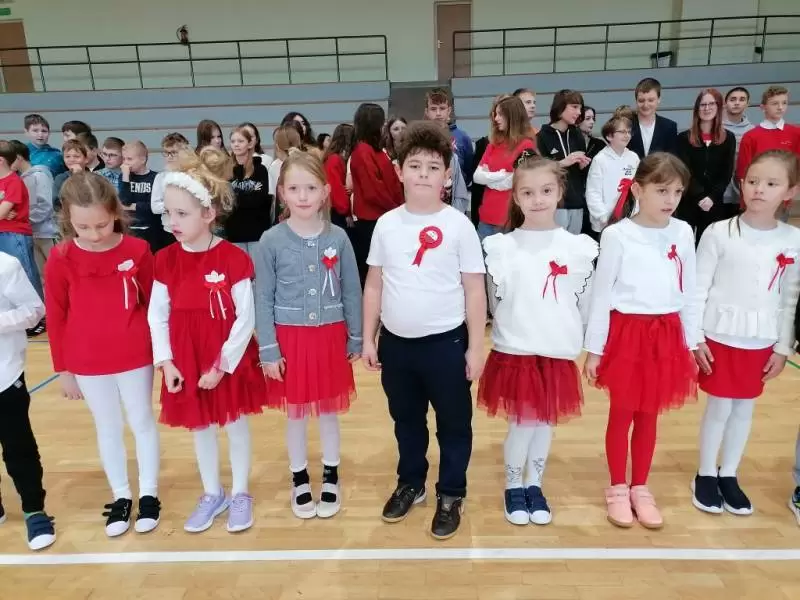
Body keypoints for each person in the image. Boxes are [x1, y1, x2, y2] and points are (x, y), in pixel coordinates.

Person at [362, 121, 486, 540]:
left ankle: (451, 492)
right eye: (414, 166)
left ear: (447, 175)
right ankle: (411, 482)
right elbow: (374, 284)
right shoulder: (386, 225)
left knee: (453, 424)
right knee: (407, 421)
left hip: (446, 345)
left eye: (433, 168)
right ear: (399, 170)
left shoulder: (459, 225)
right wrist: (369, 337)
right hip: (397, 346)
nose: (423, 174)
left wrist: (475, 347)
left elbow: (474, 290)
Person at [147, 147, 267, 534]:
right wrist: (166, 361)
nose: (173, 222)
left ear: (208, 214)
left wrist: (221, 364)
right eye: (169, 213)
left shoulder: (234, 258)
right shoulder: (165, 259)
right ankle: (212, 492)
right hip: (186, 356)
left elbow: (245, 317)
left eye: (182, 214)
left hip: (225, 357)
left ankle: (241, 492)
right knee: (200, 427)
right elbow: (157, 314)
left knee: (235, 424)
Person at [479, 151, 597, 526]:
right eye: (527, 193)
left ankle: (535, 483)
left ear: (560, 191)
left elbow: (585, 303)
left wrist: (584, 346)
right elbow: (495, 303)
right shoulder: (502, 247)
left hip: (556, 350)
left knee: (545, 423)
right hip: (517, 352)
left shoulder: (578, 248)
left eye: (546, 190)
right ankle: (514, 485)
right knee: (522, 423)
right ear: (516, 197)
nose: (538, 199)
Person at [584, 152, 698, 530]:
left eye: (677, 192)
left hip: (666, 333)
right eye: (662, 190)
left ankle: (640, 487)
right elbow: (601, 295)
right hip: (627, 333)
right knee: (623, 412)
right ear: (637, 190)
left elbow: (689, 290)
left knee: (650, 413)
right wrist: (595, 350)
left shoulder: (683, 231)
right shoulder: (617, 235)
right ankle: (618, 486)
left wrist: (691, 342)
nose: (671, 200)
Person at [45, 172, 161, 538]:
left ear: (114, 212)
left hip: (134, 353)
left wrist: (162, 353)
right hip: (87, 359)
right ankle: (121, 495)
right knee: (107, 426)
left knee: (142, 420)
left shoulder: (137, 250)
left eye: (101, 225)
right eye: (83, 227)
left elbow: (154, 304)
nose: (94, 235)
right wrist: (63, 368)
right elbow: (56, 315)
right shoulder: (61, 257)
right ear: (68, 219)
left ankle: (149, 493)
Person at [688, 150, 800, 516]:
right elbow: (697, 288)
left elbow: (790, 298)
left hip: (761, 338)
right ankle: (706, 473)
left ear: (790, 191)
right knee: (720, 405)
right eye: (752, 181)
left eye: (771, 183)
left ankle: (729, 473)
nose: (759, 189)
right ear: (741, 183)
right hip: (720, 335)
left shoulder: (793, 239)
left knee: (744, 407)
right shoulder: (719, 232)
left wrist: (782, 347)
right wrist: (695, 337)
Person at [254, 151, 362, 520]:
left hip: (330, 337)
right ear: (282, 192)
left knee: (329, 411)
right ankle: (299, 477)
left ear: (326, 191)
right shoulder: (270, 240)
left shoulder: (339, 238)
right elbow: (262, 297)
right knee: (296, 414)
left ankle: (331, 474)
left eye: (311, 188)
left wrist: (356, 336)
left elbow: (351, 290)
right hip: (290, 340)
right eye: (294, 188)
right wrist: (268, 350)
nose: (303, 196)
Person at [0, 252, 56, 551]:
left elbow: (34, 310)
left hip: (5, 374)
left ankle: (34, 510)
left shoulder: (6, 265)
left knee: (18, 446)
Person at [350, 103, 404, 286]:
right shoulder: (363, 151)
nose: (384, 127)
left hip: (384, 214)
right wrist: (396, 208)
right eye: (382, 122)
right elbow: (373, 191)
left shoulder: (375, 149)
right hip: (374, 219)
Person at [676, 88, 736, 244]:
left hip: (714, 202)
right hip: (689, 201)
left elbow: (726, 172)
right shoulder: (683, 138)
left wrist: (712, 197)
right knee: (685, 244)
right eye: (703, 105)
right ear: (697, 108)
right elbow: (684, 171)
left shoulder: (729, 138)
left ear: (718, 107)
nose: (707, 108)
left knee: (707, 246)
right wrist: (700, 196)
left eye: (711, 104)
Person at [474, 95, 536, 239]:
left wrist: (489, 178)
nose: (496, 119)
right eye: (496, 114)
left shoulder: (526, 145)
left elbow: (518, 181)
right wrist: (502, 175)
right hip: (486, 217)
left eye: (500, 114)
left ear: (512, 116)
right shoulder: (493, 144)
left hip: (510, 220)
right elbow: (477, 177)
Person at [537, 90, 592, 234]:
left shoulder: (577, 135)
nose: (578, 112)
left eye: (580, 108)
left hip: (577, 203)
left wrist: (583, 166)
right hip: (554, 204)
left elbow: (582, 173)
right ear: (560, 107)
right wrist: (562, 163)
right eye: (574, 107)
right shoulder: (542, 136)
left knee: (573, 245)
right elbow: (538, 171)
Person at [735, 86, 800, 203]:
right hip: (757, 197)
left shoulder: (796, 134)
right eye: (775, 103)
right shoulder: (751, 136)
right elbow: (743, 172)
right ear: (763, 107)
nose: (780, 107)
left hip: (784, 199)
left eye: (784, 103)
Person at [584, 113, 640, 235]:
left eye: (629, 132)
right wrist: (603, 217)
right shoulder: (600, 159)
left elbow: (638, 189)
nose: (627, 135)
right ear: (609, 136)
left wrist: (636, 212)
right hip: (606, 222)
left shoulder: (633, 157)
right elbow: (593, 192)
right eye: (622, 132)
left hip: (630, 220)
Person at [225, 126, 273, 257]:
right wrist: (246, 196)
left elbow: (259, 199)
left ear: (250, 144)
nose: (236, 144)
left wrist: (237, 198)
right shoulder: (227, 170)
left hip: (257, 232)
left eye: (240, 141)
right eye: (233, 141)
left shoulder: (260, 169)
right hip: (235, 232)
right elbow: (226, 201)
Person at [119, 140, 160, 253]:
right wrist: (126, 178)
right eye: (124, 159)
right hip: (130, 228)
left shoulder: (155, 178)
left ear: (142, 159)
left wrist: (134, 206)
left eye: (129, 159)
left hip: (151, 228)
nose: (125, 163)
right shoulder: (124, 177)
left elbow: (153, 207)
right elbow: (124, 201)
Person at [722, 87, 755, 219]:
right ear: (725, 103)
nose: (737, 103)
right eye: (733, 99)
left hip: (742, 192)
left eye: (742, 99)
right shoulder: (716, 129)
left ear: (747, 104)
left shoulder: (752, 131)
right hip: (719, 193)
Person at [628, 78, 678, 158]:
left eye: (650, 100)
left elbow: (671, 160)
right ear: (636, 101)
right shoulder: (626, 125)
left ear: (659, 100)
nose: (645, 105)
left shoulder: (669, 127)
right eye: (641, 100)